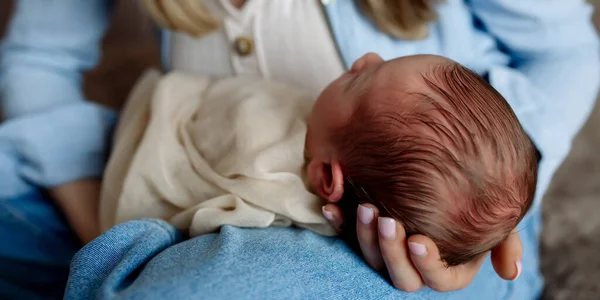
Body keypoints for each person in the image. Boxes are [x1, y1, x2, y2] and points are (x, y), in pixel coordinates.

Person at [0, 0, 597, 300]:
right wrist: (95, 216)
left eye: (367, 75)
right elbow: (38, 62)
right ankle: (154, 265)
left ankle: (167, 289)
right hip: (190, 163)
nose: (366, 62)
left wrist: (481, 197)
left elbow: (568, 50)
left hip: (412, 243)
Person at [101, 54, 537, 268]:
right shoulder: (320, 139)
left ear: (326, 177)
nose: (364, 58)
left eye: (360, 78)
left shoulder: (266, 165)